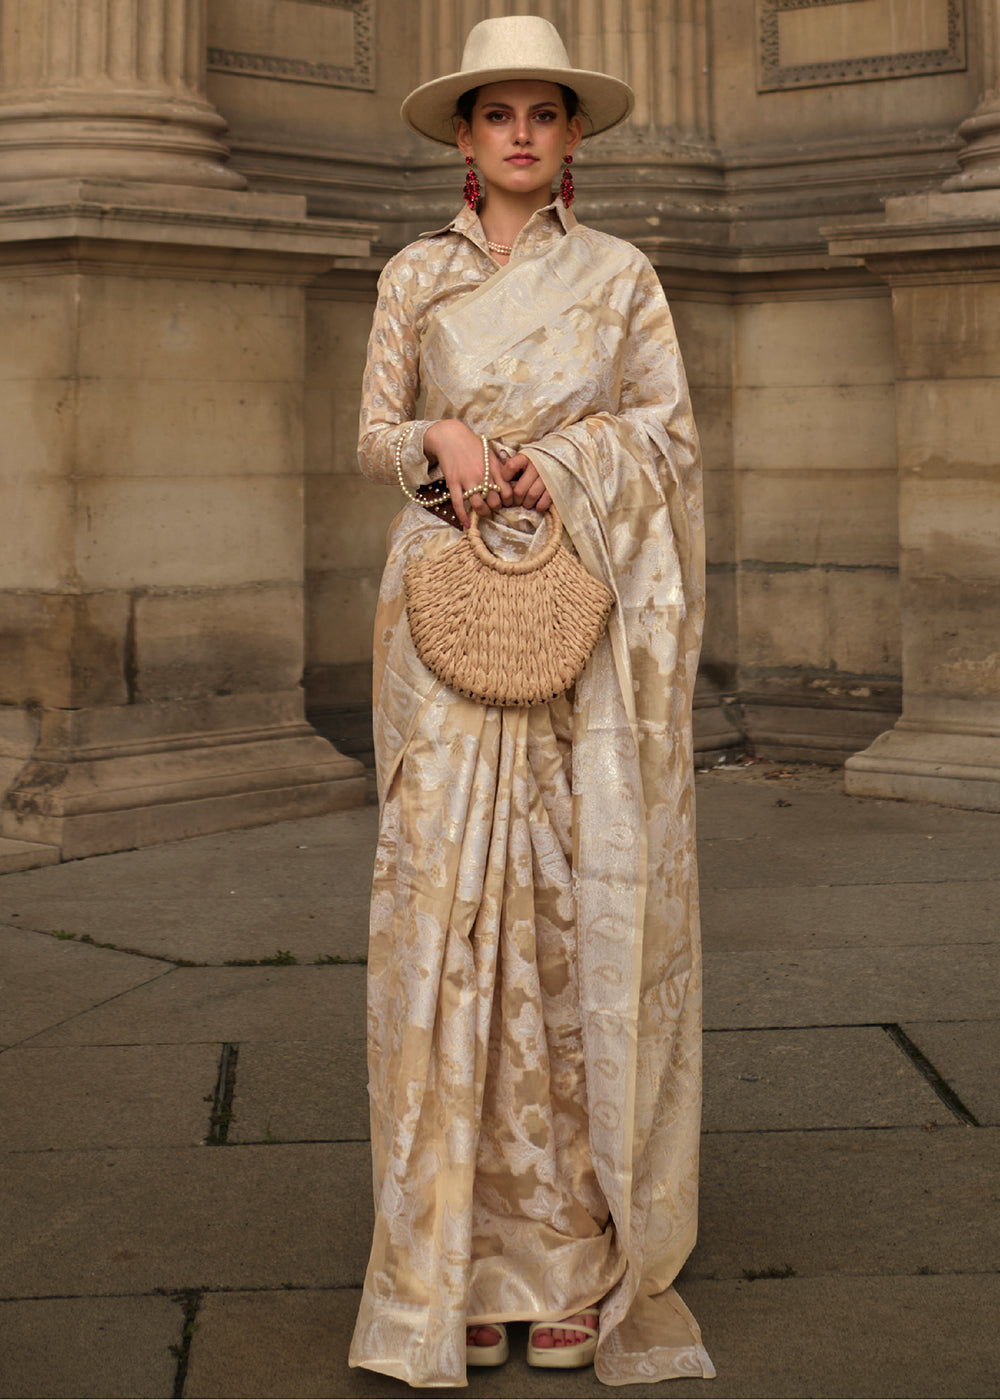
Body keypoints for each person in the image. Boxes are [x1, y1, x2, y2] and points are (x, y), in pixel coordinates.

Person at [348, 15, 715, 1390]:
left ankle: (564, 1260)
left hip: (581, 618)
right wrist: (436, 446)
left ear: (568, 138)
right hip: (440, 618)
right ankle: (445, 1265)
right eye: (495, 113)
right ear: (464, 137)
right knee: (444, 913)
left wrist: (559, 467)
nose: (518, 133)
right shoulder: (411, 279)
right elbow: (373, 430)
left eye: (541, 114)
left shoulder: (622, 278)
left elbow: (667, 437)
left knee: (572, 919)